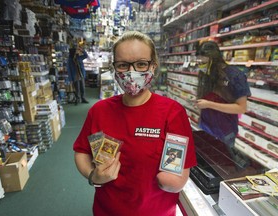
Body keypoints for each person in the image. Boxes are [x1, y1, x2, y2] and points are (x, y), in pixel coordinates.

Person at [73, 31, 197, 216]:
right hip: (106, 210)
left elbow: (178, 173)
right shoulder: (99, 111)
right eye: (123, 65)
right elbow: (81, 151)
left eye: (141, 64)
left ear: (153, 66)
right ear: (114, 68)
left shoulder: (172, 113)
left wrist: (174, 181)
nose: (132, 73)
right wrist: (93, 176)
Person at [194, 40, 251, 167]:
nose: (201, 66)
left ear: (214, 60)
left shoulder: (235, 75)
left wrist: (209, 104)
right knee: (206, 163)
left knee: (223, 165)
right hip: (206, 127)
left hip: (224, 131)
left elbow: (241, 108)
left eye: (204, 63)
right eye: (199, 63)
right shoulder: (207, 74)